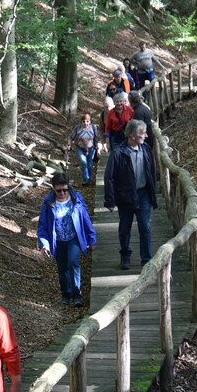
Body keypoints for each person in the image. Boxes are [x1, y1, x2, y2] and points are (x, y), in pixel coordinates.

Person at [104, 119, 158, 270]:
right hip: (125, 196)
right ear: (133, 135)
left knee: (145, 227)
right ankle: (125, 256)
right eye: (143, 133)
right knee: (125, 228)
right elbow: (109, 178)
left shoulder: (146, 149)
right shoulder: (118, 153)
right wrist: (110, 201)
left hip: (143, 194)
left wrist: (152, 195)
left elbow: (151, 173)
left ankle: (146, 260)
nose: (146, 136)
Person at [37, 174, 96, 306]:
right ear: (53, 189)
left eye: (65, 189)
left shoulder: (76, 200)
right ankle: (66, 293)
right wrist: (44, 244)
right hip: (57, 241)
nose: (62, 193)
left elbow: (85, 219)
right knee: (62, 267)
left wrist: (91, 238)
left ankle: (77, 294)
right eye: (59, 190)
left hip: (73, 238)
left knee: (73, 263)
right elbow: (43, 226)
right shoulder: (48, 203)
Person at [68, 113, 100, 185]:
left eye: (87, 121)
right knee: (83, 163)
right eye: (84, 121)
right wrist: (69, 145)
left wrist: (97, 146)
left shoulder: (93, 128)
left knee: (89, 164)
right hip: (80, 148)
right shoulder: (77, 128)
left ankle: (89, 178)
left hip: (91, 149)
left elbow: (97, 138)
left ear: (90, 121)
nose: (86, 123)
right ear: (81, 121)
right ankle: (85, 179)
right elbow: (70, 137)